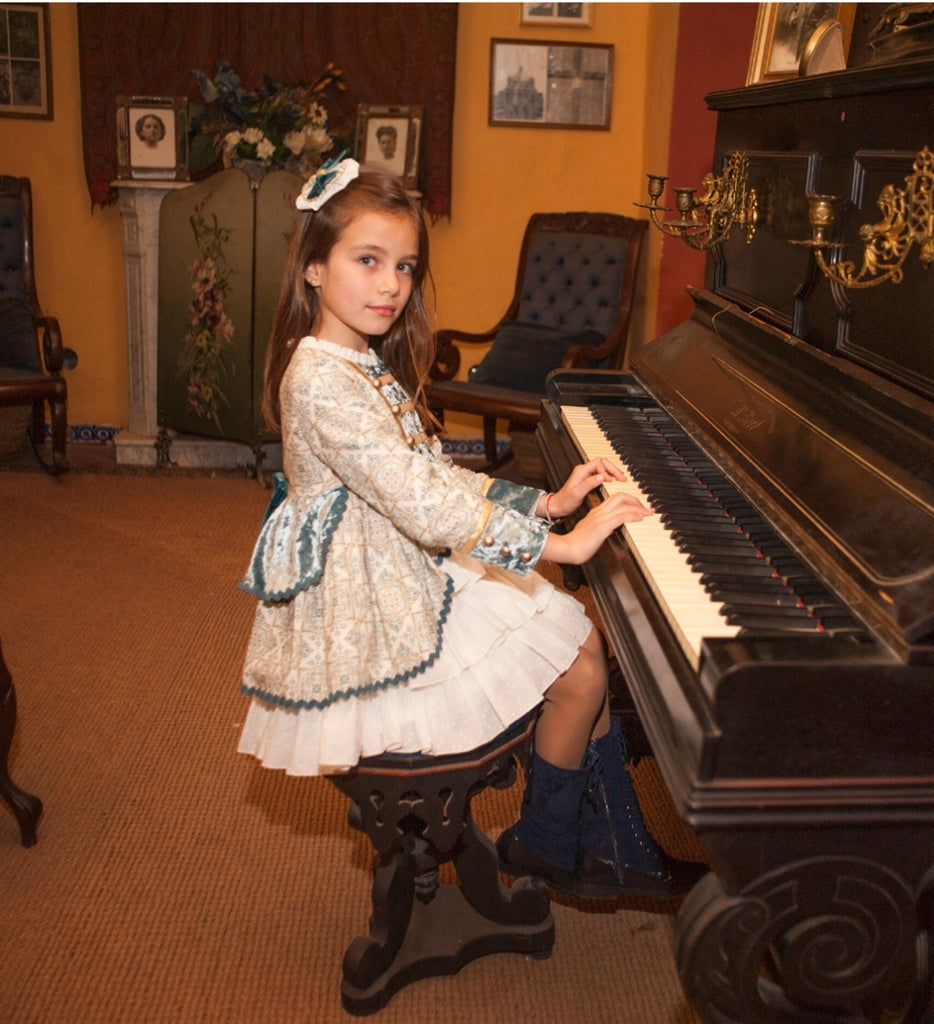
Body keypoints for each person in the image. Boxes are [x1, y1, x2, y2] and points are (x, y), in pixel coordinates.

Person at [237, 155, 707, 901]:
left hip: (402, 561)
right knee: (581, 663)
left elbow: (429, 473)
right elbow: (420, 502)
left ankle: (579, 840)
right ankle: (561, 845)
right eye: (368, 260)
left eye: (405, 266)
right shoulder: (321, 380)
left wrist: (542, 504)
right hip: (372, 614)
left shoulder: (356, 360)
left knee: (580, 644)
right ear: (314, 268)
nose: (392, 285)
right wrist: (559, 545)